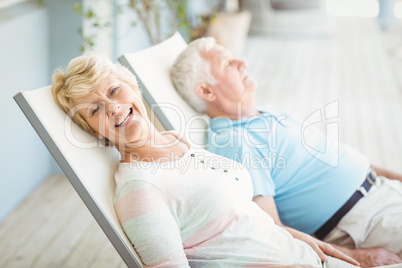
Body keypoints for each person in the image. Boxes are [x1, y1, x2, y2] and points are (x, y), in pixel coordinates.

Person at [50, 52, 366, 268]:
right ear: (95, 133)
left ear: (133, 87)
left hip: (305, 254)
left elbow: (241, 215)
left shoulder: (177, 142)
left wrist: (300, 239)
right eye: (95, 110)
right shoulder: (140, 191)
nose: (113, 108)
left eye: (114, 91)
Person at [170, 37, 402, 268]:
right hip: (364, 223)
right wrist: (357, 257)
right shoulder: (236, 143)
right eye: (228, 64)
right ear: (206, 91)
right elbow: (271, 230)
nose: (243, 63)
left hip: (383, 193)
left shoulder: (264, 113)